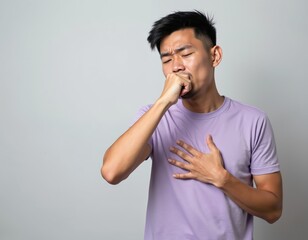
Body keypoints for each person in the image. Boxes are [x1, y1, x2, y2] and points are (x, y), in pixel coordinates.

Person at [101, 10, 283, 240]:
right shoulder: (154, 117)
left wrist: (222, 178)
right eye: (166, 59)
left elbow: (273, 210)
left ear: (214, 56)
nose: (176, 66)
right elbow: (111, 171)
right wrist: (163, 103)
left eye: (185, 54)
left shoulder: (253, 121)